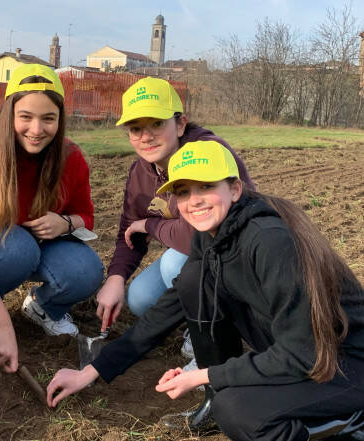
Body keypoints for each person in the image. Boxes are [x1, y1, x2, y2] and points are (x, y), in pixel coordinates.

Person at [49, 141, 364, 441]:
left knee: (242, 412)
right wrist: (92, 370)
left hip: (344, 362)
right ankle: (226, 401)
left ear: (235, 189)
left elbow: (301, 352)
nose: (194, 200)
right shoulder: (210, 236)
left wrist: (205, 375)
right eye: (184, 192)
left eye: (206, 186)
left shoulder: (269, 240)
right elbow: (167, 309)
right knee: (191, 284)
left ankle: (352, 422)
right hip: (304, 352)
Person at [0, 63, 104, 374]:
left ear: (60, 120)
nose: (36, 129)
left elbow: (87, 216)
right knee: (18, 249)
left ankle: (44, 308)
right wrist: (3, 325)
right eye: (25, 117)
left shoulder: (71, 158)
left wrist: (65, 223)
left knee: (87, 270)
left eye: (48, 118)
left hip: (42, 241)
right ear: (10, 115)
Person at [95, 77, 254, 366]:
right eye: (136, 128)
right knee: (140, 297)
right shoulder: (140, 172)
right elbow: (127, 231)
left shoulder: (207, 153)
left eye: (156, 123)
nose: (146, 136)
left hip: (237, 259)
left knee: (174, 264)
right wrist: (115, 278)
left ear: (180, 124)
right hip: (199, 255)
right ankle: (197, 322)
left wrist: (150, 225)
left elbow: (195, 236)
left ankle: (215, 344)